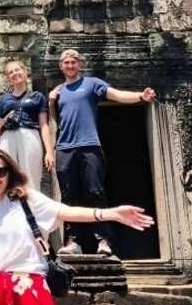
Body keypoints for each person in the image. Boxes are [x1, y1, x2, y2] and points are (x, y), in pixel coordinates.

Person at [0, 147, 155, 305]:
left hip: (29, 287)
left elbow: (67, 212)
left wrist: (111, 214)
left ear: (10, 172)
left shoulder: (27, 200)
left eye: (0, 171)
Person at [49, 49, 156, 256]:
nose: (70, 66)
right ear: (61, 66)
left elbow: (116, 95)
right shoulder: (59, 91)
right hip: (64, 148)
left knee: (95, 192)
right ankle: (73, 242)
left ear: (79, 65)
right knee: (69, 196)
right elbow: (56, 120)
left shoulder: (91, 84)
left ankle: (103, 241)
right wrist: (51, 101)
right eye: (66, 63)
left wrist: (140, 96)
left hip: (89, 145)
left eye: (73, 62)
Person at [0, 61, 54, 191]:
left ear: (25, 73)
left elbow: (44, 125)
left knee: (31, 177)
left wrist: (49, 152)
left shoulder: (38, 97)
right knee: (6, 174)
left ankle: (31, 203)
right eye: (10, 72)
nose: (14, 73)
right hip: (7, 136)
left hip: (29, 134)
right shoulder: (3, 99)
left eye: (17, 70)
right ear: (8, 78)